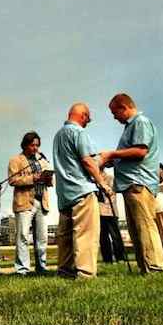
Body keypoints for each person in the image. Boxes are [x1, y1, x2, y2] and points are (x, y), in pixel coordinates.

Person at [99, 93, 163, 274]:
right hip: (131, 184)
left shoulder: (140, 122)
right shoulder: (132, 126)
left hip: (138, 183)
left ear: (124, 107)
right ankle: (145, 267)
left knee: (144, 225)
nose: (114, 117)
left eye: (115, 113)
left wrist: (112, 155)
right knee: (137, 228)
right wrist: (113, 161)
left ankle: (155, 268)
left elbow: (140, 151)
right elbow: (131, 154)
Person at [52, 103, 110, 279]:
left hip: (64, 193)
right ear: (83, 116)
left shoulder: (58, 135)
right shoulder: (79, 133)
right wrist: (102, 183)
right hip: (81, 190)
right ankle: (85, 273)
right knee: (85, 234)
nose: (88, 123)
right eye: (88, 119)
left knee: (66, 236)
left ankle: (64, 271)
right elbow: (87, 161)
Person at [8, 131, 53, 275]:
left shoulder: (41, 160)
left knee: (42, 238)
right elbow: (12, 180)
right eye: (33, 145)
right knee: (22, 237)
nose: (36, 148)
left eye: (37, 145)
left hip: (41, 202)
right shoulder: (16, 160)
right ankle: (22, 270)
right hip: (25, 203)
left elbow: (49, 179)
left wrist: (48, 178)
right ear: (25, 145)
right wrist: (32, 178)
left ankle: (42, 267)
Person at [97, 170, 125, 263]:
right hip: (98, 212)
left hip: (110, 211)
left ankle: (120, 257)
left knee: (115, 236)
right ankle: (107, 259)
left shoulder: (110, 178)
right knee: (103, 237)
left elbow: (112, 193)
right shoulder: (93, 179)